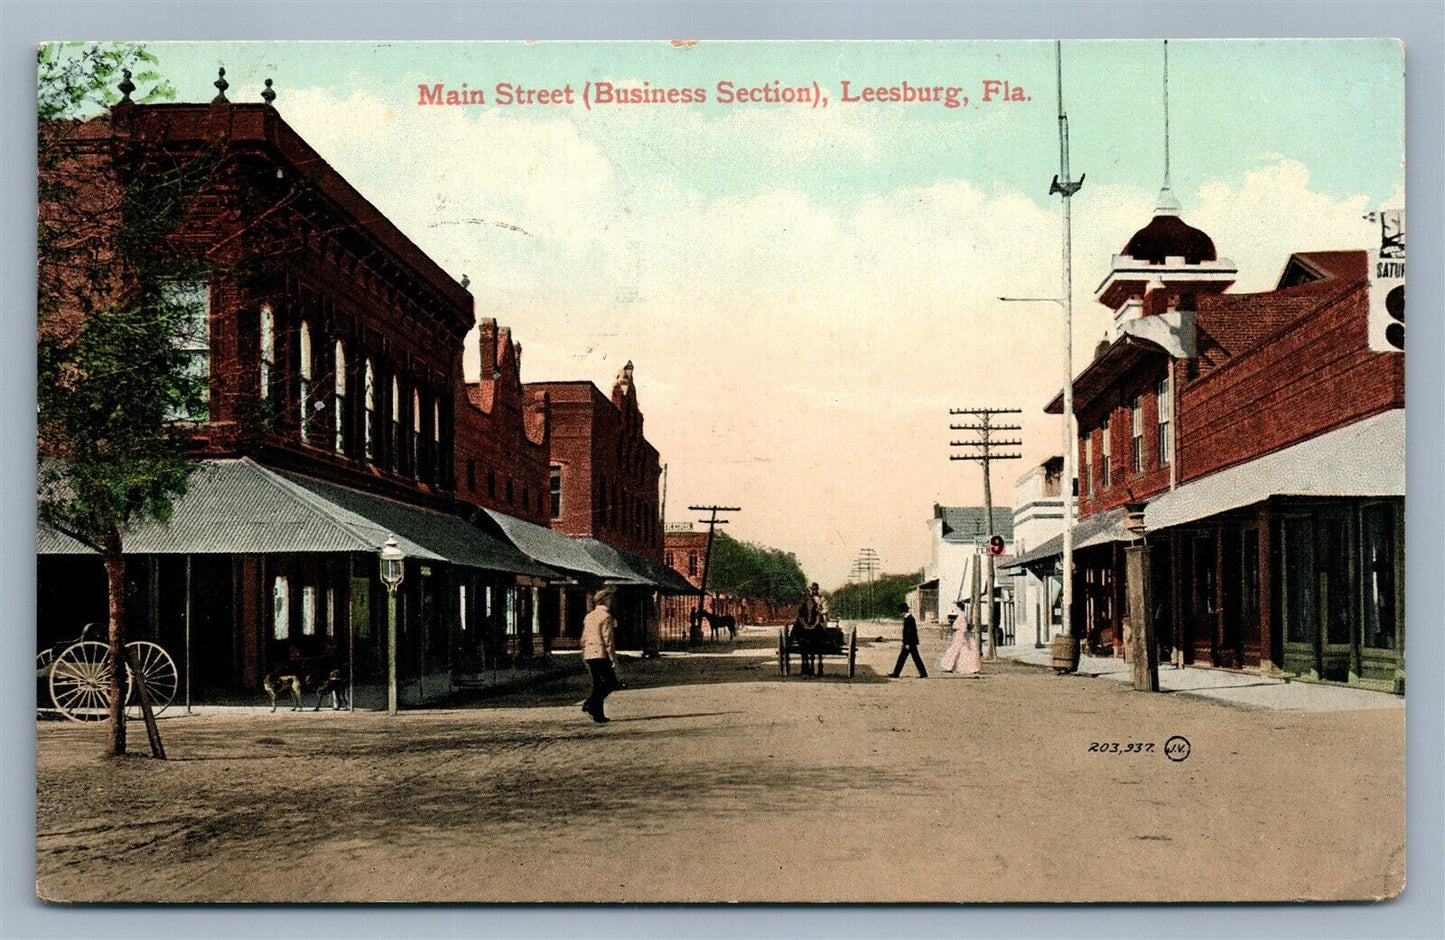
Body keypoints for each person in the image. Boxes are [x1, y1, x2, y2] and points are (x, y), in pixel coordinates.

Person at [581, 586, 623, 723]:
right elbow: (608, 640)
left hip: (589, 654)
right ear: (605, 600)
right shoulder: (606, 617)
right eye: (610, 599)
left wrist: (584, 653)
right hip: (601, 654)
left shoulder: (589, 616)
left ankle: (598, 715)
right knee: (611, 682)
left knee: (597, 684)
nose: (612, 602)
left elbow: (584, 638)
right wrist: (613, 659)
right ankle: (590, 703)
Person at [794, 582, 827, 676]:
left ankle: (823, 639)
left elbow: (825, 609)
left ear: (817, 589)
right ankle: (795, 637)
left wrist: (820, 611)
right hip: (807, 621)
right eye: (813, 589)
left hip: (818, 618)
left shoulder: (821, 598)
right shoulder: (806, 599)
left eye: (815, 589)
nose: (814, 590)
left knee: (821, 627)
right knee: (797, 625)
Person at [939, 601, 981, 675]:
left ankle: (950, 666)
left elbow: (964, 628)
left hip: (960, 636)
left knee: (955, 650)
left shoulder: (962, 616)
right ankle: (969, 667)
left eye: (957, 607)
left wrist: (958, 629)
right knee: (963, 652)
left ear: (959, 608)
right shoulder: (961, 615)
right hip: (959, 636)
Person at [890, 605, 928, 678]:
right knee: (913, 658)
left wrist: (906, 643)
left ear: (903, 611)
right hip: (911, 642)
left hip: (910, 643)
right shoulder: (909, 618)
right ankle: (923, 673)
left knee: (905, 658)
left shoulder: (909, 619)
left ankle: (896, 673)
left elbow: (909, 632)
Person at [641, 591, 662, 659]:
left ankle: (652, 651)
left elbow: (656, 614)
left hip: (651, 621)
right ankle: (650, 651)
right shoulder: (649, 602)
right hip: (650, 621)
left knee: (652, 637)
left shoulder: (652, 604)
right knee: (650, 637)